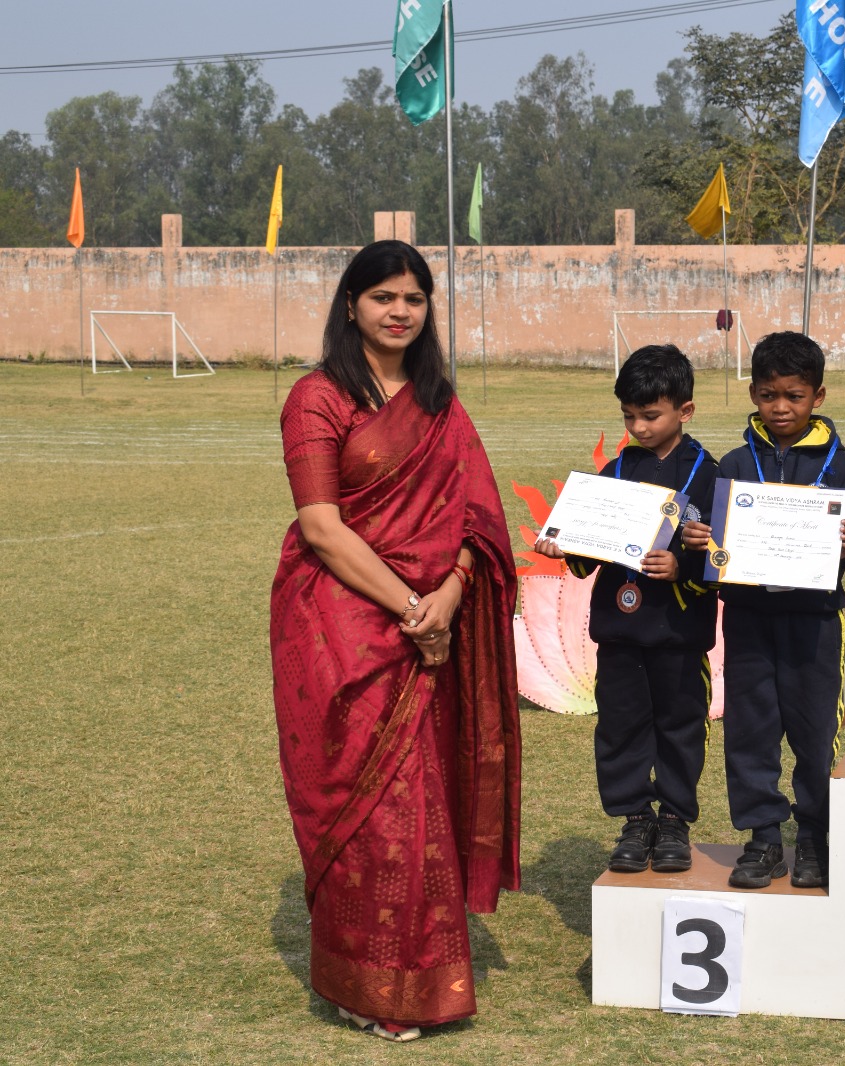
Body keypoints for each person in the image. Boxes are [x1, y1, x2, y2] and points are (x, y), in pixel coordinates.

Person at [270, 241, 521, 1042]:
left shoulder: (440, 403)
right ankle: (365, 982)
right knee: (369, 807)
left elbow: (477, 517)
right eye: (383, 296)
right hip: (341, 625)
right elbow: (321, 527)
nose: (400, 311)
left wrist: (449, 594)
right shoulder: (317, 398)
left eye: (414, 298)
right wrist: (415, 606)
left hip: (431, 621)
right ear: (352, 305)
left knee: (421, 803)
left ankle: (416, 981)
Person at [683, 332, 845, 890]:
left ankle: (813, 835)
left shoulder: (839, 467)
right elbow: (712, 539)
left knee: (814, 732)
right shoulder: (735, 463)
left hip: (814, 623)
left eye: (794, 396)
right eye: (769, 396)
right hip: (748, 620)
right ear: (754, 394)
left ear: (817, 396)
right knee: (750, 730)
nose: (781, 408)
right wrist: (700, 541)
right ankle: (763, 837)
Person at [533, 345, 718, 875]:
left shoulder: (710, 474)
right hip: (619, 628)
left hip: (679, 631)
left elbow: (726, 555)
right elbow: (587, 555)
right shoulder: (613, 471)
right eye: (629, 416)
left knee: (680, 726)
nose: (638, 427)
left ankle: (675, 820)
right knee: (620, 725)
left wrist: (682, 567)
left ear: (685, 410)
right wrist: (564, 545)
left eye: (650, 415)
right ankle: (635, 819)